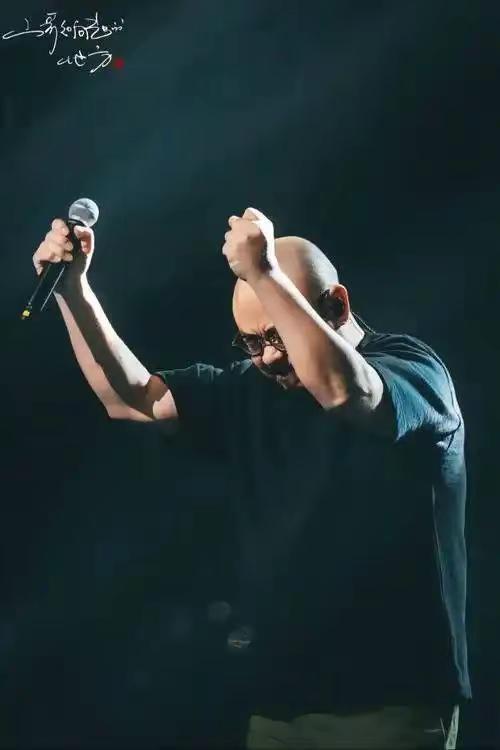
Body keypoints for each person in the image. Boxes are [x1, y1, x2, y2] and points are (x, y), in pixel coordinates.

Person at [32, 208, 470, 748]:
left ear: (336, 305)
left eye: (276, 334)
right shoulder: (252, 387)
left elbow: (346, 390)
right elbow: (132, 399)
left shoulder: (412, 369)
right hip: (279, 707)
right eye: (250, 342)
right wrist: (73, 292)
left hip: (388, 707)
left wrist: (264, 272)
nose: (267, 356)